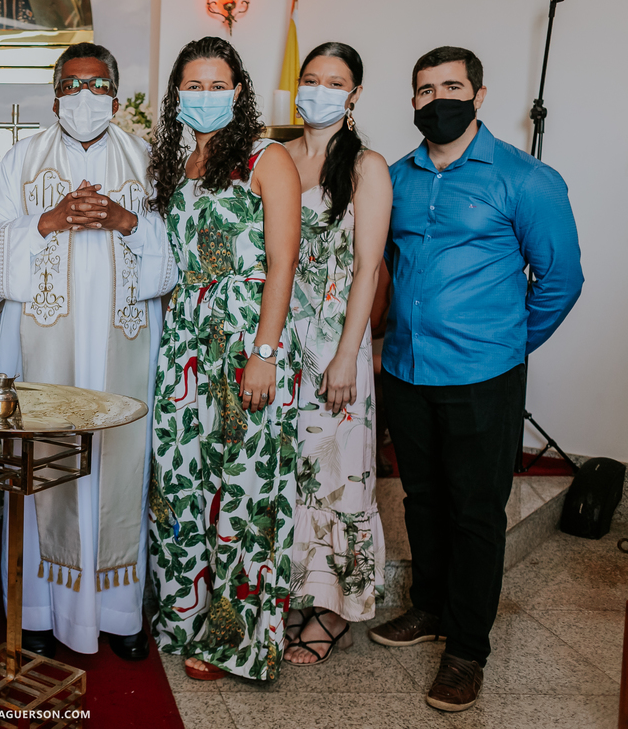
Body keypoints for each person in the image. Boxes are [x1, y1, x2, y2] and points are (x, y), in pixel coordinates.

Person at [369, 46, 582, 712]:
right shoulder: (396, 178)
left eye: (452, 86)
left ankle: (466, 649)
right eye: (426, 90)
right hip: (404, 369)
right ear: (413, 102)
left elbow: (562, 279)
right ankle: (428, 607)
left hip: (482, 376)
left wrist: (507, 347)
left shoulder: (526, 179)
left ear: (480, 95)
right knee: (422, 501)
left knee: (477, 512)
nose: (439, 100)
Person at [0, 42, 178, 661]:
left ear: (115, 96)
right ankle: (37, 611)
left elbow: (170, 259)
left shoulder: (146, 160)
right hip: (42, 343)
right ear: (55, 93)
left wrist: (127, 221)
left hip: (122, 340)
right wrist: (47, 220)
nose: (84, 97)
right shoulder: (21, 159)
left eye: (97, 86)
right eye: (72, 85)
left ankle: (119, 615)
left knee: (117, 462)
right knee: (42, 460)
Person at [146, 36, 302, 682]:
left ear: (238, 91)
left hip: (245, 341)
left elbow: (282, 263)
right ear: (177, 94)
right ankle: (184, 618)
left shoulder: (269, 159)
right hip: (185, 340)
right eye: (193, 86)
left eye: (217, 85)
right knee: (181, 486)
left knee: (242, 492)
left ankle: (233, 640)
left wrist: (264, 353)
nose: (204, 97)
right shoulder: (180, 166)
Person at [282, 42, 392, 665]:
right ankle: (290, 596)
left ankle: (330, 612)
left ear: (352, 95)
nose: (320, 89)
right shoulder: (276, 157)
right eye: (311, 78)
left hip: (332, 345)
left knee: (333, 477)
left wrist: (349, 355)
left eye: (335, 81)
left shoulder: (365, 166)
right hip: (278, 340)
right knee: (285, 474)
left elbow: (368, 269)